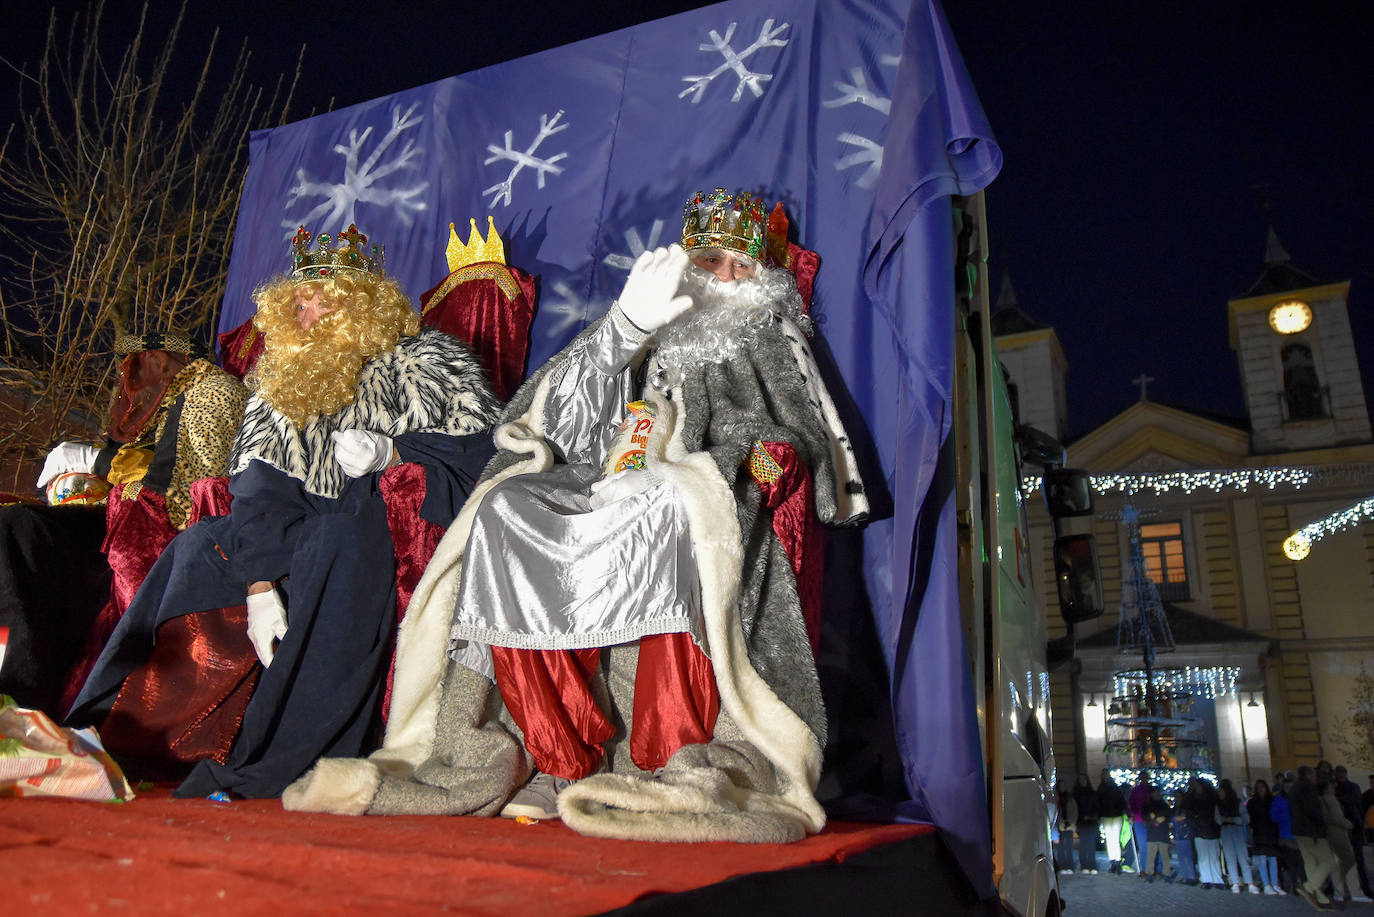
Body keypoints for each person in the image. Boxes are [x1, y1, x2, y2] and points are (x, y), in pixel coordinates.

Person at [283, 189, 868, 845]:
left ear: (762, 274)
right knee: (509, 507)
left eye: (740, 264)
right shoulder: (655, 316)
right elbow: (545, 414)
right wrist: (626, 330)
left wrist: (753, 463)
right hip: (607, 479)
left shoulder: (769, 333)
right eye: (711, 260)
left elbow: (801, 436)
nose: (725, 278)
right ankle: (547, 752)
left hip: (698, 484)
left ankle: (663, 758)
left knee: (664, 506)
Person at [68, 225, 502, 798]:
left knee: (339, 536)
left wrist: (395, 452)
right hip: (296, 532)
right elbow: (258, 488)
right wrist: (257, 584)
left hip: (375, 530)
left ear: (361, 308)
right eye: (297, 297)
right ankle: (114, 729)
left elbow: (483, 459)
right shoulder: (280, 378)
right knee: (197, 546)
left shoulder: (427, 365)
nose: (306, 307)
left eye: (323, 297)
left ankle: (274, 755)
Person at [0, 331, 246, 715]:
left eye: (136, 365)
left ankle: (17, 696)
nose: (127, 379)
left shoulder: (212, 390)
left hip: (149, 538)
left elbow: (185, 490)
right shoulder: (152, 416)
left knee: (23, 530)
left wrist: (96, 464)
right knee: (16, 528)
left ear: (161, 361)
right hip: (115, 524)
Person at [1290, 764, 1338, 908]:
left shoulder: (1294, 788)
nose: (1315, 777)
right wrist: (1322, 827)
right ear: (1309, 775)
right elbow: (1313, 810)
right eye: (1313, 775)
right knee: (1329, 861)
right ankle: (1309, 888)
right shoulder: (1308, 788)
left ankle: (1320, 899)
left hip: (1299, 831)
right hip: (1311, 831)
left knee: (1311, 863)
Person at [1334, 765, 1373, 901]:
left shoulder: (1352, 788)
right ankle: (1345, 890)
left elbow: (1356, 801)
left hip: (1353, 826)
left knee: (1358, 860)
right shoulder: (1335, 787)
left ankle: (1363, 888)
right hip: (1343, 828)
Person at [1217, 777, 1258, 893]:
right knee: (1230, 858)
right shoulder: (1219, 805)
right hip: (1226, 831)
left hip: (1237, 830)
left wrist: (1231, 819)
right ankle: (1235, 882)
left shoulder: (1237, 803)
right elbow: (1218, 819)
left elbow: (1245, 819)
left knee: (1242, 857)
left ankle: (1249, 882)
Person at [1182, 776, 1224, 888]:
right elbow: (1188, 812)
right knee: (1203, 857)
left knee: (1213, 856)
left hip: (1211, 829)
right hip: (1199, 830)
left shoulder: (1211, 799)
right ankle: (1207, 880)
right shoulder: (1191, 799)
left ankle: (1217, 879)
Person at [1322, 778, 1357, 903]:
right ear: (1328, 788)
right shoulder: (1331, 800)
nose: (1334, 788)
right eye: (1332, 786)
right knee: (1347, 860)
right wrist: (1350, 824)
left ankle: (1339, 891)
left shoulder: (1322, 799)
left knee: (1338, 862)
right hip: (1337, 833)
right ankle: (1342, 889)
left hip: (1330, 833)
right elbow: (1338, 818)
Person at [1249, 778, 1284, 895]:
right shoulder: (1253, 802)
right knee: (1263, 860)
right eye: (1258, 787)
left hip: (1271, 833)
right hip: (1260, 833)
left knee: (1273, 859)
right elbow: (1251, 819)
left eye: (1262, 787)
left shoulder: (1271, 801)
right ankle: (1266, 885)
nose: (1261, 789)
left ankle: (1274, 884)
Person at [1097, 767, 1129, 873]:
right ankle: (1113, 862)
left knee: (1114, 839)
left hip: (1115, 816)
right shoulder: (1103, 788)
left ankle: (1117, 861)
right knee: (1110, 840)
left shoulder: (1112, 788)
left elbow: (1121, 801)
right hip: (1108, 816)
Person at [1141, 785, 1174, 882]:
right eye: (1155, 793)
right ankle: (1149, 874)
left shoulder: (1164, 805)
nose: (1157, 794)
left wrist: (1160, 818)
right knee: (1151, 855)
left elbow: (1168, 815)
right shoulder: (1148, 805)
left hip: (1162, 833)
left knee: (1164, 855)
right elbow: (1145, 817)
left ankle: (1166, 874)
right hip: (1153, 834)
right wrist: (1154, 819)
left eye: (1158, 793)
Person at [1126, 770, 1152, 879]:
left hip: (1151, 821)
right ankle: (1144, 868)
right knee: (1143, 846)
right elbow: (1130, 804)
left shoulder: (1152, 790)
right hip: (1139, 820)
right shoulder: (1136, 791)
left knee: (1153, 845)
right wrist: (1130, 815)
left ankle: (1155, 868)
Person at [1074, 773, 1101, 873]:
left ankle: (1092, 865)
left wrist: (1093, 816)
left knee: (1091, 844)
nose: (1083, 782)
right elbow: (1074, 808)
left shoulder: (1092, 793)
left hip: (1091, 821)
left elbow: (1097, 807)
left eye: (1084, 779)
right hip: (1082, 822)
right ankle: (1084, 865)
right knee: (1084, 845)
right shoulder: (1076, 794)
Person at [1054, 780, 1079, 874]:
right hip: (1059, 825)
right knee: (1061, 847)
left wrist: (1072, 821)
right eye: (1060, 786)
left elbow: (1074, 810)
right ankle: (1061, 866)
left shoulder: (1070, 798)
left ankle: (1069, 866)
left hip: (1069, 825)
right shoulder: (1056, 798)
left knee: (1068, 846)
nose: (1062, 787)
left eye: (1063, 785)